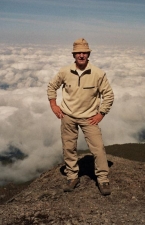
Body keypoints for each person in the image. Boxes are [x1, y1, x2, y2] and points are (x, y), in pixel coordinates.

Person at [47, 38, 114, 196]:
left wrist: (101, 113)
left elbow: (109, 95)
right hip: (68, 116)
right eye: (78, 53)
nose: (81, 55)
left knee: (98, 149)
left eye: (84, 52)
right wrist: (54, 105)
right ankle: (72, 177)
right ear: (74, 55)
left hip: (89, 117)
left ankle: (103, 179)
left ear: (88, 54)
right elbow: (51, 86)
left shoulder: (98, 73)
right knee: (69, 148)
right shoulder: (65, 72)